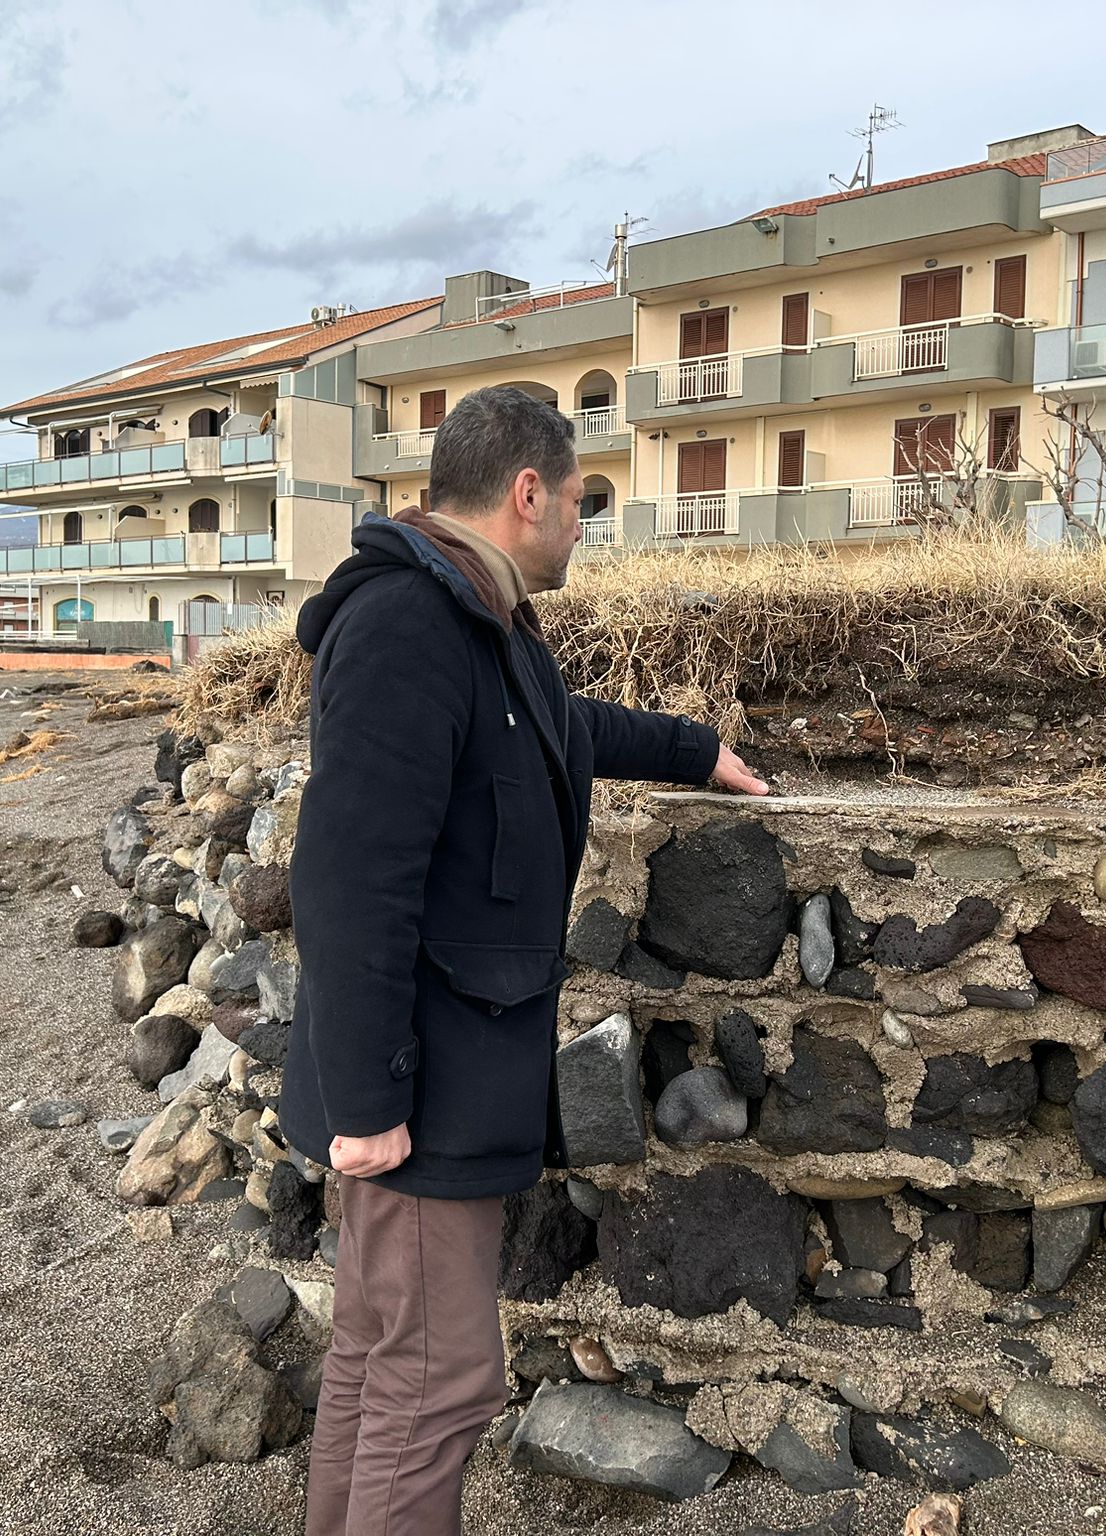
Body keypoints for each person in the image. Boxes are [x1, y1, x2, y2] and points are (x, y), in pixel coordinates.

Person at [283, 385, 767, 1535]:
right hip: (419, 1095)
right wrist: (366, 1103)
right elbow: (347, 877)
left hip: (438, 1078)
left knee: (377, 1360)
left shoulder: (478, 626)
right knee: (435, 1383)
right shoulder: (410, 623)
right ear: (527, 492)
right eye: (580, 504)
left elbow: (565, 725)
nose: (582, 529)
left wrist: (698, 750)